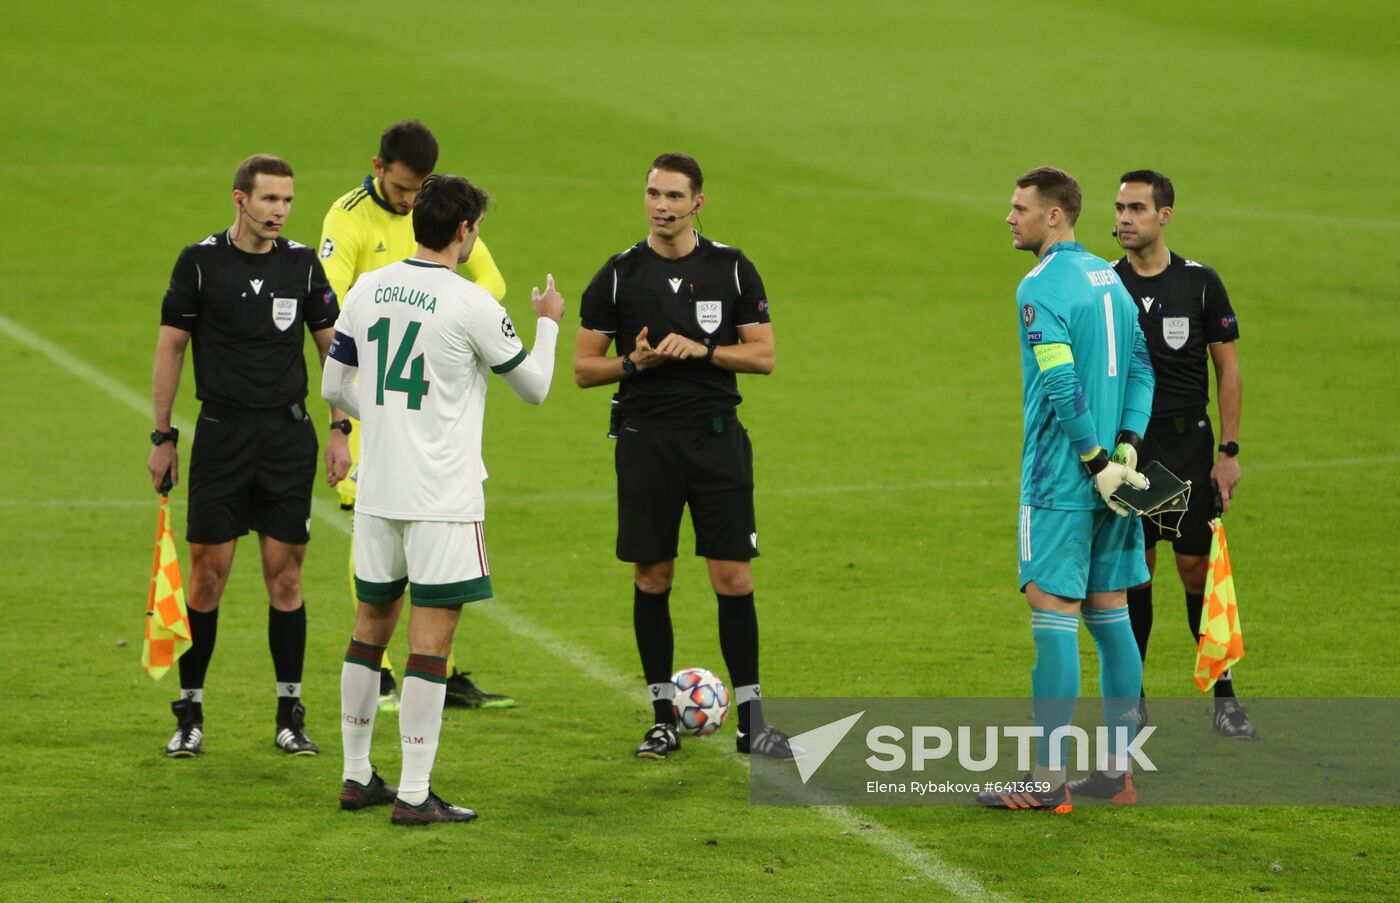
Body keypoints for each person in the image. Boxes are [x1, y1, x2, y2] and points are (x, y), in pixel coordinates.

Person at [322, 174, 564, 825]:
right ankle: (413, 792)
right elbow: (536, 387)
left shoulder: (368, 289)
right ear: (464, 230)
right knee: (430, 643)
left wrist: (378, 414)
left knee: (368, 632)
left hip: (376, 489)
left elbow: (332, 383)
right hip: (444, 499)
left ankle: (353, 777)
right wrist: (547, 324)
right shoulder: (471, 303)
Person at [574, 153, 794, 761]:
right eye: (652, 194)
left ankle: (754, 723)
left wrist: (704, 350)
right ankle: (661, 717)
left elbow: (764, 356)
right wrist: (633, 363)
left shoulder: (731, 268)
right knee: (654, 575)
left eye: (673, 196)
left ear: (698, 202)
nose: (661, 206)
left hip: (716, 440)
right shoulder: (619, 275)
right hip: (647, 442)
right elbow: (583, 369)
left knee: (733, 576)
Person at [147, 154, 352, 758]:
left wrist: (341, 427)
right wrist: (163, 437)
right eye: (269, 201)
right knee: (207, 577)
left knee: (286, 578)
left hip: (287, 441)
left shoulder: (302, 265)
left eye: (287, 202)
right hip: (221, 438)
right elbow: (171, 349)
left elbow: (332, 352)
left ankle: (290, 714)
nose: (280, 212)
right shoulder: (200, 263)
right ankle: (190, 712)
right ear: (239, 199)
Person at [976, 167, 1155, 811]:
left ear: (1054, 216)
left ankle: (1046, 781)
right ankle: (1115, 772)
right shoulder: (1113, 280)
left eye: (1020, 208)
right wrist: (1127, 448)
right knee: (1111, 621)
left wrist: (1094, 457)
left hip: (1061, 479)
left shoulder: (1040, 285)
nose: (1010, 218)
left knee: (1052, 618)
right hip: (1118, 482)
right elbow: (1141, 367)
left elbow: (1059, 380)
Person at [318, 119, 513, 712]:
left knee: (430, 546)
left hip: (425, 405)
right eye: (402, 189)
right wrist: (340, 423)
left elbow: (493, 279)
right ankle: (375, 667)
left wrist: (454, 315)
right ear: (377, 168)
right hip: (369, 405)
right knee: (370, 526)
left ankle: (440, 670)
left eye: (417, 190)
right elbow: (330, 321)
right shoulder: (347, 218)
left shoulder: (436, 213)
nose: (408, 201)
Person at [1112, 170, 1253, 738]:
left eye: (1137, 208)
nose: (1123, 218)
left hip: (1191, 445)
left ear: (1164, 215)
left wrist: (1229, 451)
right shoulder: (1106, 283)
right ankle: (1134, 700)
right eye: (1119, 208)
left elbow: (1229, 370)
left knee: (1197, 568)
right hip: (1135, 448)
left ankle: (1224, 697)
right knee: (1134, 572)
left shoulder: (1200, 284)